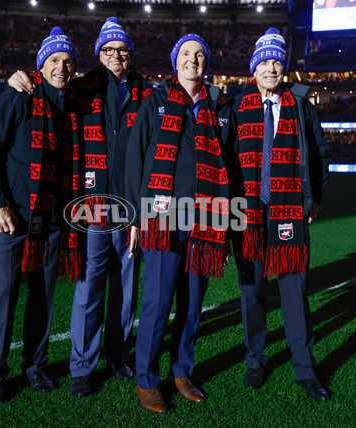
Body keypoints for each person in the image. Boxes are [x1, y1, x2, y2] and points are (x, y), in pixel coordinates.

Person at [8, 17, 153, 397]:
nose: (116, 56)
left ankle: (117, 356)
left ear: (131, 54)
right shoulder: (80, 87)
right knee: (90, 287)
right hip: (89, 204)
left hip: (129, 207)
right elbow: (44, 92)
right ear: (98, 54)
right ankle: (82, 366)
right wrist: (16, 81)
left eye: (122, 50)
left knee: (125, 286)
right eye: (108, 50)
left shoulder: (146, 93)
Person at [126, 34, 235, 413]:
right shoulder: (154, 102)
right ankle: (146, 380)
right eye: (187, 54)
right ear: (176, 62)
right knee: (157, 303)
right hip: (161, 218)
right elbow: (135, 159)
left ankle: (182, 373)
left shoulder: (219, 106)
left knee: (191, 305)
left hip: (203, 219)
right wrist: (138, 217)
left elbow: (230, 164)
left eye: (200, 55)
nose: (193, 60)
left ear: (207, 64)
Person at [0, 27, 80, 405]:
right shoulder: (18, 95)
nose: (61, 67)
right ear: (41, 65)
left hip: (49, 221)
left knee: (43, 297)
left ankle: (35, 366)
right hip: (12, 218)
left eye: (67, 61)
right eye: (54, 60)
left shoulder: (73, 106)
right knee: (5, 293)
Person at [233, 28, 331, 401]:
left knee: (294, 295)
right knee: (251, 293)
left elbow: (321, 155)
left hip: (289, 212)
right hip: (249, 214)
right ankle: (255, 361)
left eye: (277, 61)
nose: (271, 68)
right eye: (264, 62)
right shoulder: (237, 108)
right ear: (253, 70)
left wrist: (315, 199)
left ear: (283, 68)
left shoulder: (301, 105)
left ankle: (305, 369)